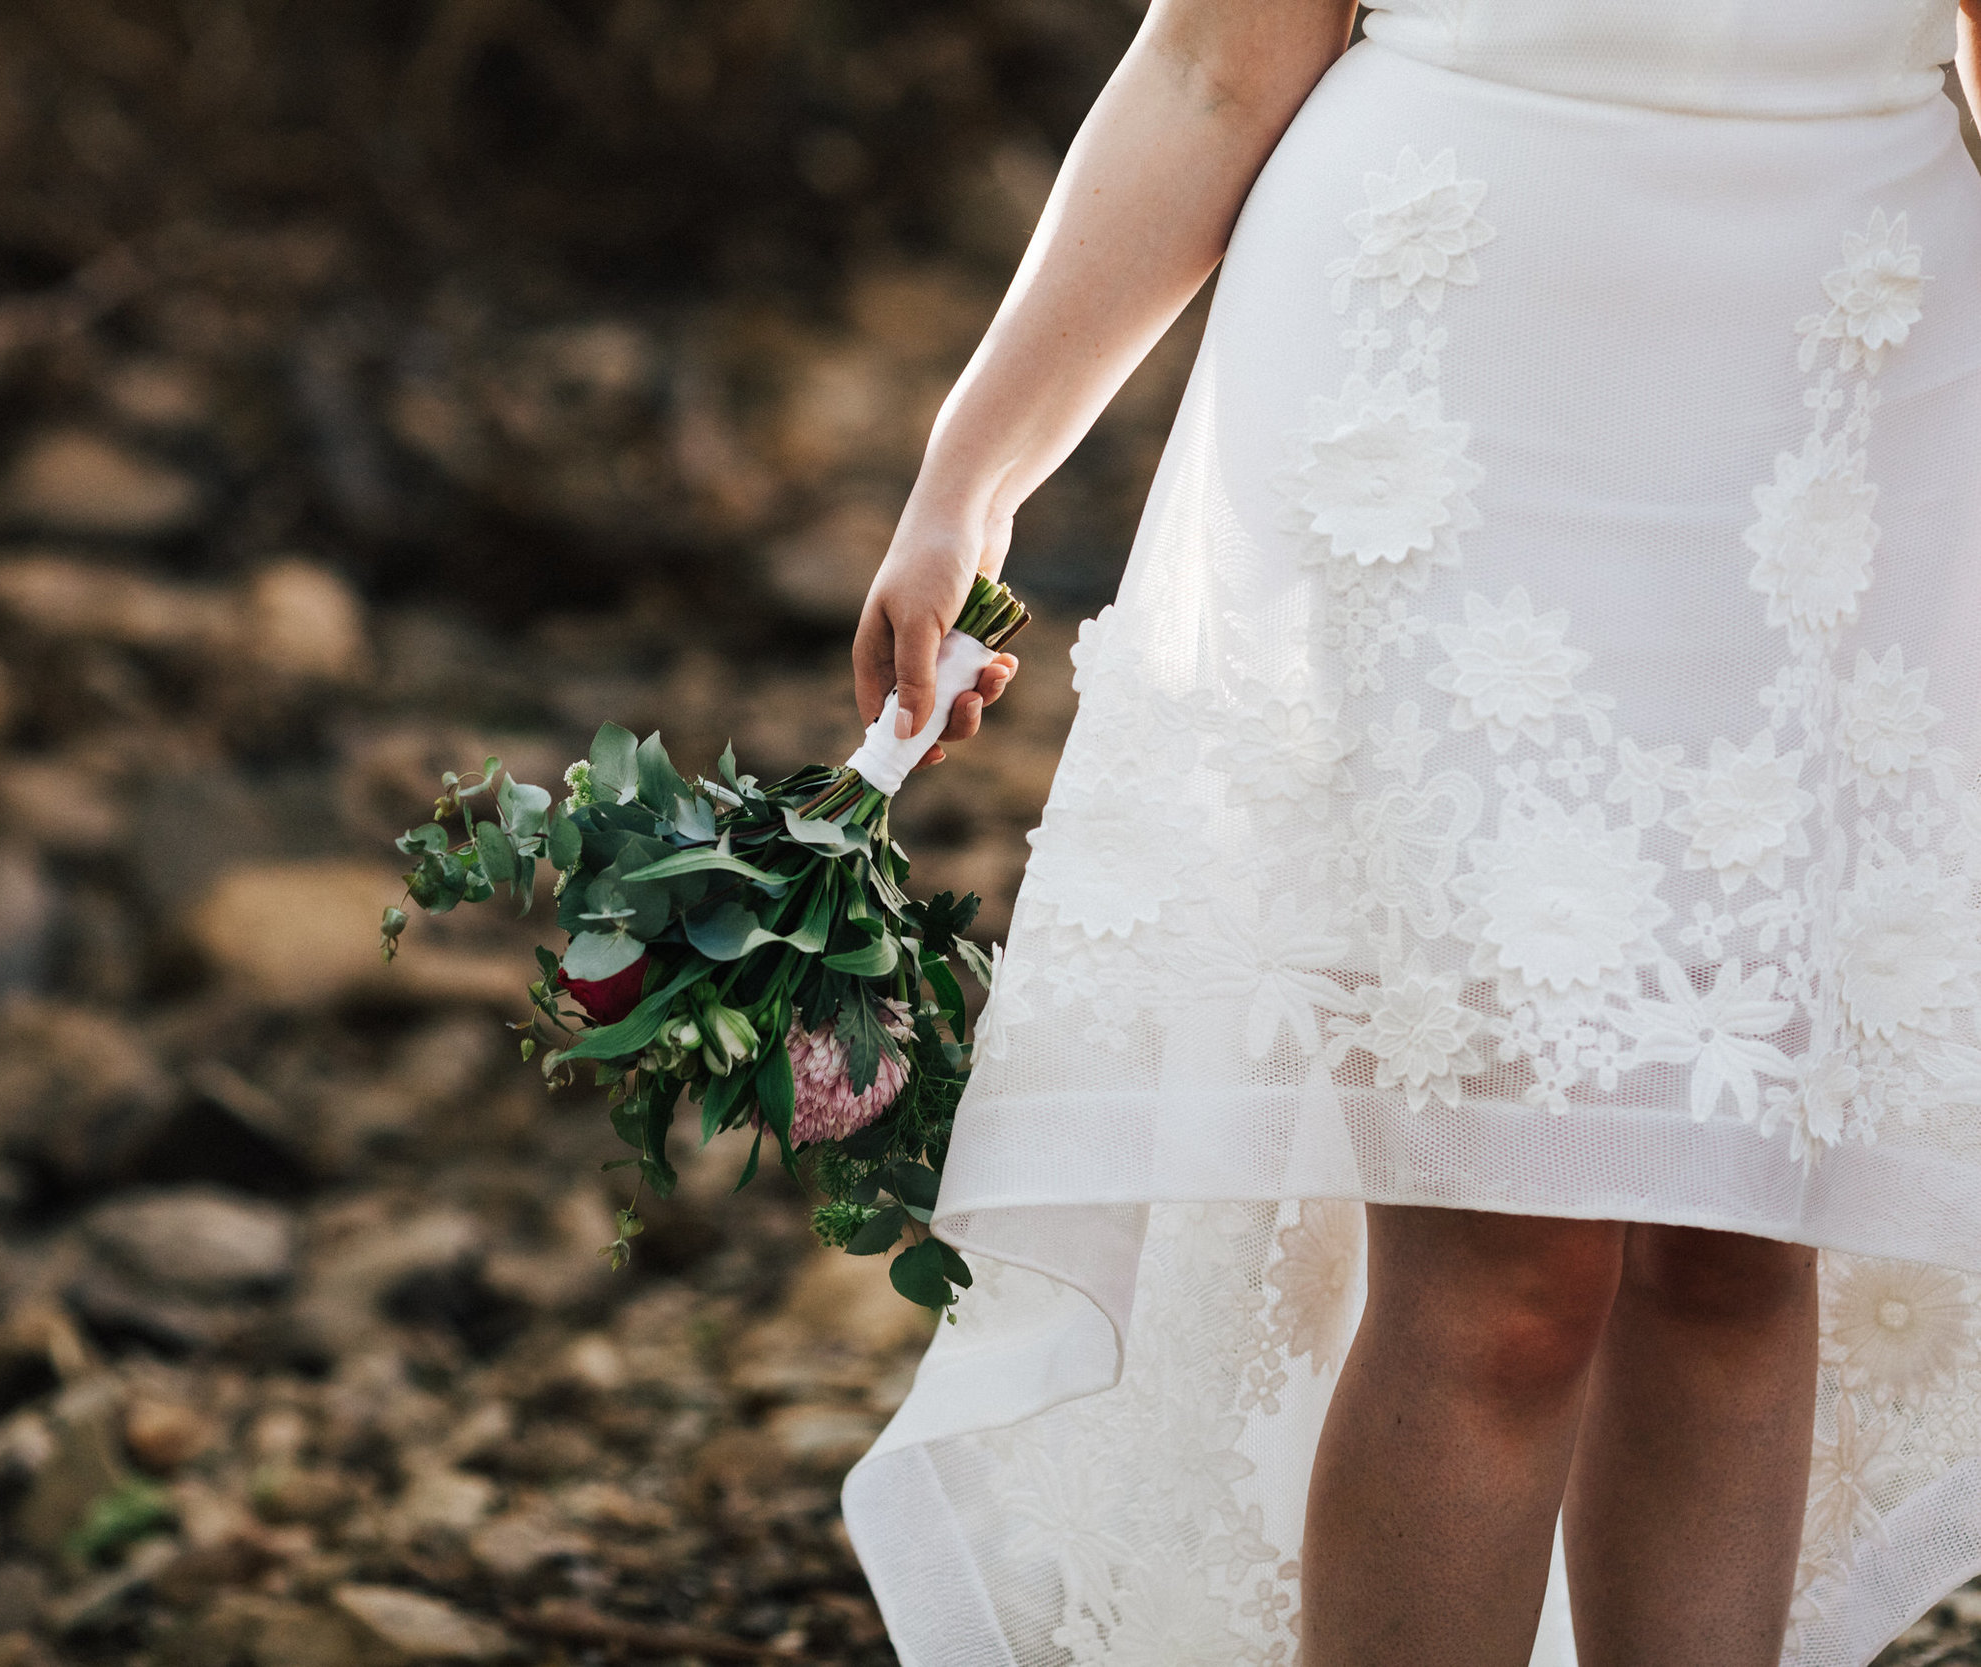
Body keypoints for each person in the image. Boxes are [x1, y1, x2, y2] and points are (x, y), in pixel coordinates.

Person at [843, 1, 1981, 1663]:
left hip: (1850, 392)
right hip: (1458, 372)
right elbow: (1216, 62)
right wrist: (972, 478)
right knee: (1509, 1249)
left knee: (1741, 1234)